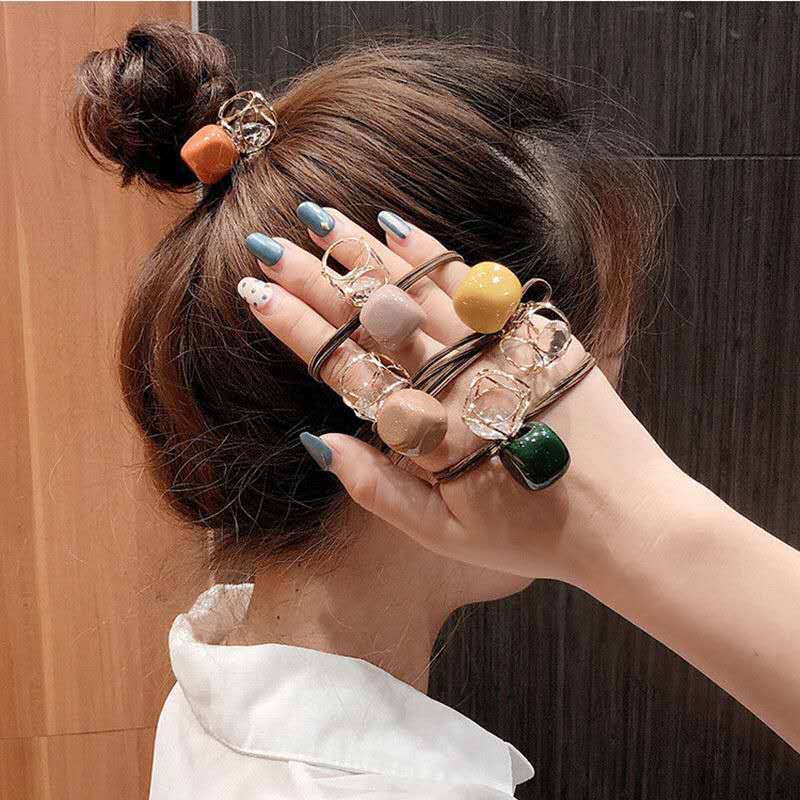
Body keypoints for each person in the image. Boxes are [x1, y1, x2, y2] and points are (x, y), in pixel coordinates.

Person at [72, 22, 800, 800]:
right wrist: (651, 528)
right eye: (588, 379)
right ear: (421, 409)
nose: (617, 434)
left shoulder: (220, 677)